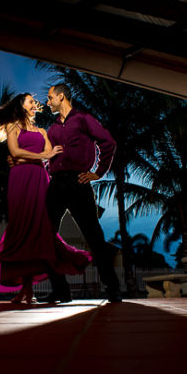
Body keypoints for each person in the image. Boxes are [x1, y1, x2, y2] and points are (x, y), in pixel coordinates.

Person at [0, 92, 92, 304]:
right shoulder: (13, 126)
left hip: (39, 179)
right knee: (21, 229)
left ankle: (29, 290)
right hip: (20, 179)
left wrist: (42, 156)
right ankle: (26, 289)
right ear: (21, 106)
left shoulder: (42, 131)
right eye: (30, 101)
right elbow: (15, 151)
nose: (34, 104)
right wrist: (40, 156)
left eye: (35, 102)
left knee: (39, 230)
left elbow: (48, 153)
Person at [37, 83, 123, 303]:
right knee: (45, 237)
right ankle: (60, 290)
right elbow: (48, 157)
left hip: (79, 182)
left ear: (61, 97)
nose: (47, 102)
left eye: (50, 98)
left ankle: (113, 288)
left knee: (95, 236)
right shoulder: (53, 129)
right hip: (56, 185)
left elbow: (108, 143)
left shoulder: (84, 119)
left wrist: (98, 172)